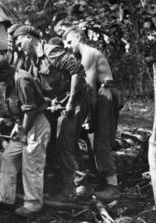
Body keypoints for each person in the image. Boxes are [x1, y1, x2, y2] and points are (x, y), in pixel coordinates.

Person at [13, 26, 89, 202]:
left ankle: (74, 190)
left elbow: (77, 71)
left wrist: (70, 103)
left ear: (28, 38)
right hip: (58, 105)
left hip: (74, 102)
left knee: (65, 144)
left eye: (19, 42)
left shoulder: (50, 52)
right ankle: (79, 184)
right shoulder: (31, 61)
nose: (18, 47)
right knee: (63, 143)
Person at [0, 53, 51, 217]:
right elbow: (21, 110)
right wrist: (18, 126)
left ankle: (33, 205)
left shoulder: (21, 80)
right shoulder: (11, 80)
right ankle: (4, 198)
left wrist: (23, 131)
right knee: (8, 157)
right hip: (24, 124)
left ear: (3, 73)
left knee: (31, 166)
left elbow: (31, 110)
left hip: (35, 125)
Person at [63, 26, 124, 201]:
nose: (67, 46)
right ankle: (101, 178)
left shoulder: (89, 54)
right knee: (92, 139)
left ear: (77, 37)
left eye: (68, 42)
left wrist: (88, 117)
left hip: (105, 96)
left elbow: (89, 88)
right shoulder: (82, 56)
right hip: (101, 96)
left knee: (102, 141)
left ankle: (113, 188)